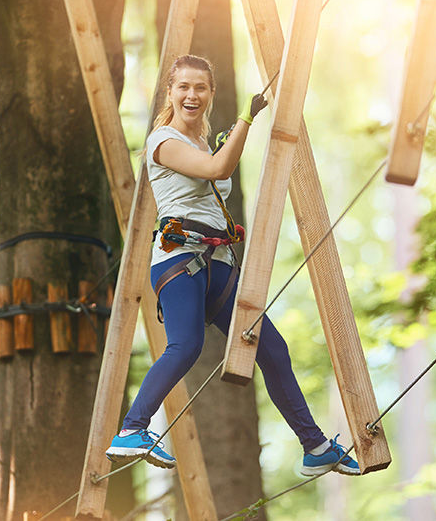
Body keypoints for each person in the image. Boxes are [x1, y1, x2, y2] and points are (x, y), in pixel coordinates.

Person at [105, 54, 358, 477]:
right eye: (183, 87)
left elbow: (213, 168)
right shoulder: (162, 141)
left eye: (200, 87)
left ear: (210, 93)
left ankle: (314, 446)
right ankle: (132, 429)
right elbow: (218, 169)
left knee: (272, 349)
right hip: (180, 259)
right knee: (186, 346)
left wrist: (227, 137)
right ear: (170, 92)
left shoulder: (202, 143)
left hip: (216, 262)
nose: (191, 95)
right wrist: (247, 119)